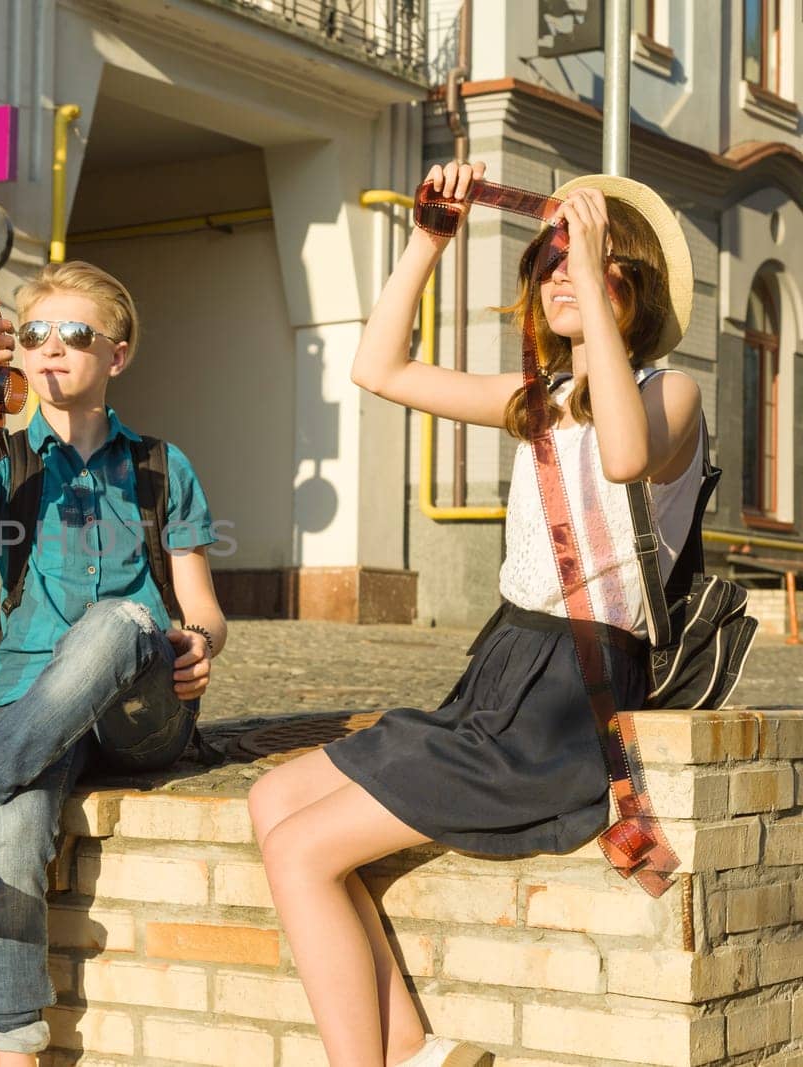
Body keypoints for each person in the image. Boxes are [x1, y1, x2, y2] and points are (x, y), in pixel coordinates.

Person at [248, 162, 701, 1067]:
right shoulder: (537, 401)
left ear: (633, 283)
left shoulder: (669, 391)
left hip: (570, 703)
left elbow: (622, 457)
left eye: (588, 258)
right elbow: (378, 367)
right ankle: (412, 1052)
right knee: (270, 802)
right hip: (500, 679)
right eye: (550, 259)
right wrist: (430, 237)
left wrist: (599, 298)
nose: (560, 275)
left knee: (303, 853)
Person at [0, 261, 228, 1065]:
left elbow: (201, 607)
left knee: (125, 616)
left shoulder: (162, 468)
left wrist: (200, 642)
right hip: (31, 707)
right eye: (35, 336)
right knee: (16, 829)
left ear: (118, 355)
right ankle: (14, 1048)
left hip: (140, 707)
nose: (50, 350)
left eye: (75, 335)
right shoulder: (7, 459)